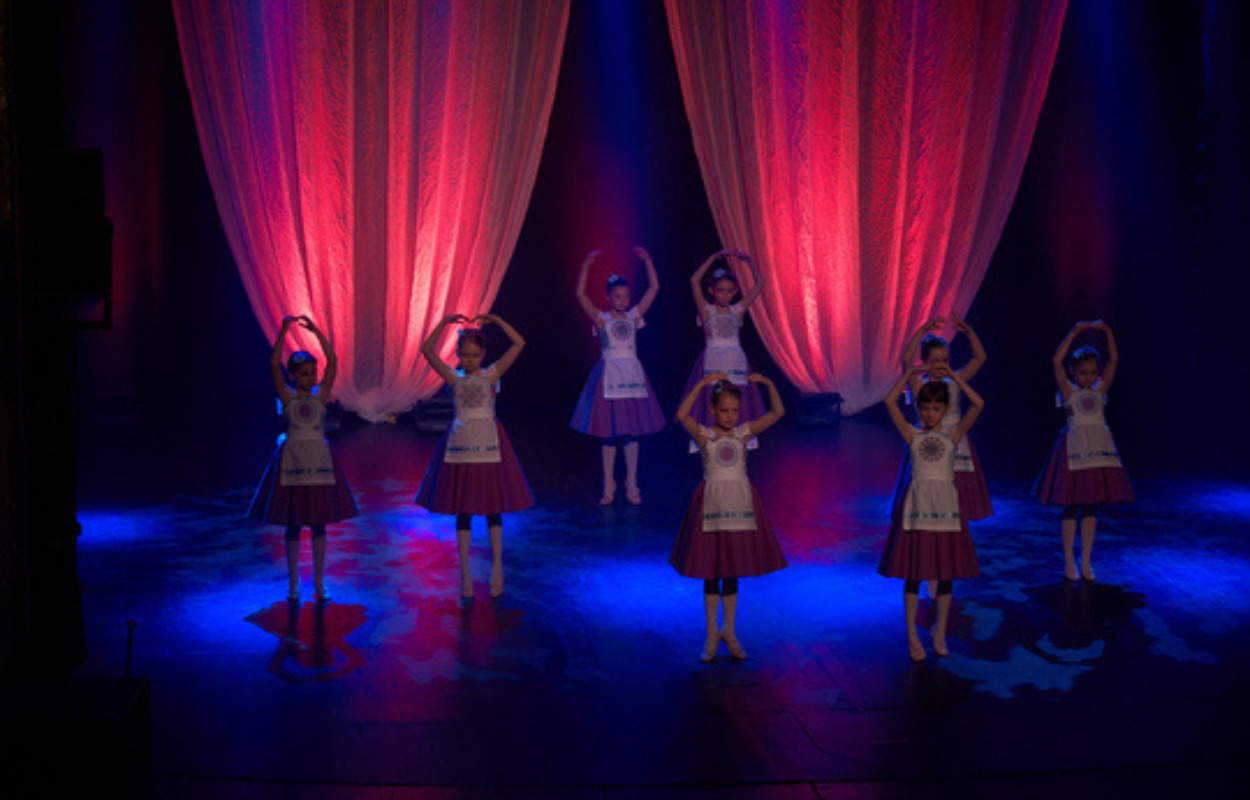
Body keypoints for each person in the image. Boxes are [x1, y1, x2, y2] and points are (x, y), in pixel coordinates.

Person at [670, 372, 788, 663]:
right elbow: (681, 414)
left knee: (732, 569)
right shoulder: (704, 434)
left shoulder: (743, 433)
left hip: (739, 507)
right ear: (712, 409)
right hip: (711, 507)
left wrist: (770, 384)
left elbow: (777, 412)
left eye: (735, 410)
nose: (730, 416)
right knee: (712, 571)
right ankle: (711, 635)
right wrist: (700, 384)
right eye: (724, 410)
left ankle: (730, 631)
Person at [416, 313, 534, 599]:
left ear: (482, 354)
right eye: (464, 355)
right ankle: (465, 572)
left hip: (489, 446)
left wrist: (497, 320)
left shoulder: (491, 374)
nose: (469, 360)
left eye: (474, 355)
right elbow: (427, 350)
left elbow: (519, 343)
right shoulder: (452, 377)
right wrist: (444, 323)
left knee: (493, 507)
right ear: (458, 354)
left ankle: (497, 567)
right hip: (461, 446)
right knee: (464, 508)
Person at [878, 365, 984, 662]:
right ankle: (912, 636)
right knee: (914, 574)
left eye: (936, 408)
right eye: (925, 408)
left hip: (946, 511)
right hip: (917, 511)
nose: (930, 414)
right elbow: (889, 402)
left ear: (945, 409)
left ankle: (939, 632)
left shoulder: (954, 435)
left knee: (946, 574)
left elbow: (978, 404)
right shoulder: (912, 434)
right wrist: (909, 374)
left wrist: (954, 376)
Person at [249, 315, 357, 603]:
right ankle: (294, 582)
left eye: (312, 372)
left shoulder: (320, 396)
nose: (310, 377)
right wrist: (283, 331)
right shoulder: (287, 397)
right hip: (294, 461)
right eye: (304, 373)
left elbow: (332, 363)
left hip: (319, 461)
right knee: (293, 523)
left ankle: (320, 581)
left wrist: (318, 332)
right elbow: (273, 365)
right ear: (294, 375)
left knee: (319, 522)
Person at [1033, 320, 1133, 582]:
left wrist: (1109, 332)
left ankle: (1086, 560)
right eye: (1082, 373)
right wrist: (1074, 332)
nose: (1087, 377)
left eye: (1092, 373)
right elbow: (1056, 362)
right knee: (1071, 506)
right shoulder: (1069, 391)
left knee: (1091, 507)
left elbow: (1113, 362)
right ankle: (1069, 561)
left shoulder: (1100, 390)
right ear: (1074, 373)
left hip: (1098, 451)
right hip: (1073, 451)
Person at [569, 248, 666, 504]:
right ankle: (608, 484)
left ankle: (632, 482)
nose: (623, 300)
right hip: (609, 375)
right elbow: (580, 294)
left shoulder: (634, 316)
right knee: (608, 432)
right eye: (617, 296)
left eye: (625, 296)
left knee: (632, 432)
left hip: (633, 375)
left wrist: (648, 261)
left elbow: (654, 289)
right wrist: (587, 266)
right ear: (609, 297)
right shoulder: (601, 319)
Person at [898, 315, 993, 522]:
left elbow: (979, 358)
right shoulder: (918, 385)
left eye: (945, 360)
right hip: (927, 443)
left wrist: (969, 334)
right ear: (925, 362)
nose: (941, 365)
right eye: (936, 361)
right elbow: (906, 360)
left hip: (954, 441)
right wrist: (922, 331)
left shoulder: (955, 381)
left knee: (957, 501)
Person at [679, 249, 767, 450]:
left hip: (735, 360)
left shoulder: (738, 310)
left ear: (735, 291)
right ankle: (712, 444)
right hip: (713, 360)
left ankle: (736, 444)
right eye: (720, 290)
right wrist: (712, 257)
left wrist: (751, 262)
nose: (725, 295)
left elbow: (760, 284)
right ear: (712, 291)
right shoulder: (706, 310)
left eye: (729, 291)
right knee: (713, 399)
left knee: (736, 400)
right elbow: (694, 281)